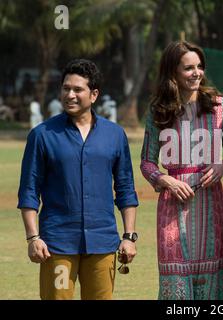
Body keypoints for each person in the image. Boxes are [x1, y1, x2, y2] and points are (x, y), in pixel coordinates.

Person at [17, 59, 139, 300]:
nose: (69, 95)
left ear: (94, 95)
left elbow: (125, 189)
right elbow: (29, 191)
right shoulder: (42, 135)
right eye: (65, 88)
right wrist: (33, 238)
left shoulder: (114, 135)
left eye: (77, 89)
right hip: (57, 243)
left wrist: (129, 236)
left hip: (102, 242)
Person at [140, 41, 223, 300]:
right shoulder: (158, 111)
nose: (197, 73)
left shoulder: (218, 106)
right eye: (188, 68)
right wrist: (167, 181)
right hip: (173, 207)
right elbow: (147, 163)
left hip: (211, 203)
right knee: (177, 282)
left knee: (215, 281)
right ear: (173, 72)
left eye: (199, 67)